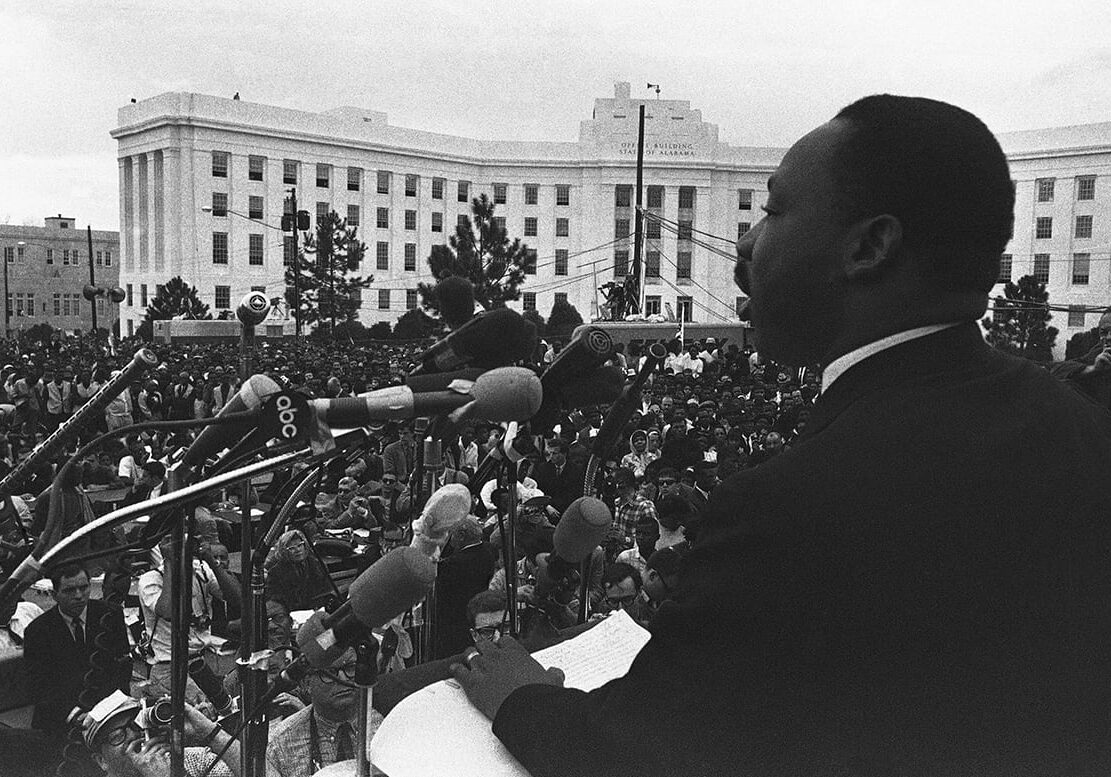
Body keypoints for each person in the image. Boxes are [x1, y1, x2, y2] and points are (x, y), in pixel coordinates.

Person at [450, 95, 1111, 775]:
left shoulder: (788, 506)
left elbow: (639, 751)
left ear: (867, 246)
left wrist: (519, 696)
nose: (740, 244)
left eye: (771, 211)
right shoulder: (1084, 432)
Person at [23, 562, 131, 736]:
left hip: (108, 716)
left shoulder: (110, 615)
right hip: (60, 721)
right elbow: (39, 685)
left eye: (83, 588)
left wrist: (110, 709)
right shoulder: (38, 631)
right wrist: (74, 715)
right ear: (53, 594)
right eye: (69, 590)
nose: (79, 596)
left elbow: (122, 666)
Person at [266, 648, 382, 777]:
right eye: (330, 672)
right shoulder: (279, 746)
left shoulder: (385, 726)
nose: (343, 679)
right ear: (306, 683)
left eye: (350, 667)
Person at [1050, 307, 1111, 408]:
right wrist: (1092, 369)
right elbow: (1057, 370)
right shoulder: (1099, 353)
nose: (1109, 337)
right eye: (1104, 332)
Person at [264, 529, 332, 613]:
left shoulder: (318, 565)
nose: (297, 550)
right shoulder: (275, 572)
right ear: (284, 551)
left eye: (300, 545)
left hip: (317, 609)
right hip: (291, 613)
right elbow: (274, 599)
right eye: (291, 548)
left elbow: (327, 590)